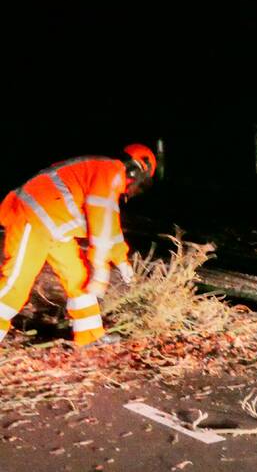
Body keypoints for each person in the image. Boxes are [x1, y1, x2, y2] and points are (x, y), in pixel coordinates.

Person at [0, 144, 157, 347]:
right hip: (32, 217)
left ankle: (89, 335)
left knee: (79, 278)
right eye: (139, 184)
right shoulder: (109, 172)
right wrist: (100, 267)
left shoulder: (106, 174)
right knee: (16, 283)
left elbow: (110, 226)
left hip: (54, 227)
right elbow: (100, 223)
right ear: (135, 171)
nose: (134, 190)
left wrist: (122, 260)